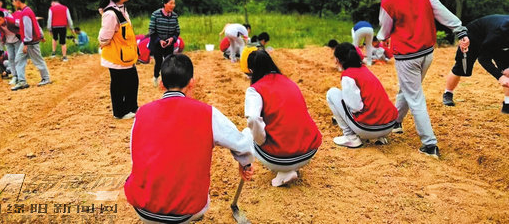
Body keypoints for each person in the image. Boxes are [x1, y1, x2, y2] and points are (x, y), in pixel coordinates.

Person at [125, 54, 254, 223]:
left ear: (161, 84)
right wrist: (245, 162)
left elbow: (135, 155)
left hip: (143, 210)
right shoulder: (207, 113)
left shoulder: (142, 112)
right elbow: (243, 145)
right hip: (186, 212)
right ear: (192, 83)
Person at [377, 0, 468, 159]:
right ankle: (396, 122)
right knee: (408, 89)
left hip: (407, 57)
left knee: (415, 97)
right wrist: (460, 29)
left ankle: (429, 144)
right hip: (427, 53)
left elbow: (384, 31)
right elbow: (441, 12)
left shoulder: (387, 2)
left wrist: (380, 38)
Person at [245, 50, 322, 187]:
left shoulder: (255, 90)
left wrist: (261, 141)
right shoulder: (289, 82)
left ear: (251, 70)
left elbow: (253, 118)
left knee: (247, 133)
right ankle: (290, 169)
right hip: (309, 151)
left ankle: (285, 171)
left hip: (280, 158)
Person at [326, 42, 398, 148]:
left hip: (368, 129)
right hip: (389, 126)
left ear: (338, 60)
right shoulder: (364, 70)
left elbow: (356, 107)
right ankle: (381, 137)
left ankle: (350, 137)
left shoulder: (348, 76)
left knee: (332, 93)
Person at [442, 15, 509, 114]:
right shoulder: (497, 34)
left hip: (499, 42)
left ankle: (507, 104)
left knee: (507, 70)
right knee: (461, 68)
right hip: (474, 38)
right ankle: (448, 93)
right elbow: (483, 59)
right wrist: (500, 77)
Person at [98, 0, 139, 119]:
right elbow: (104, 36)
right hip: (116, 55)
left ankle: (131, 107)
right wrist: (103, 43)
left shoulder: (121, 8)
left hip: (126, 54)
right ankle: (119, 112)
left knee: (132, 81)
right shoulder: (110, 13)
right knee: (118, 85)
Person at [11, 0, 51, 91]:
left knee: (37, 60)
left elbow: (28, 29)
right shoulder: (27, 11)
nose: (13, 4)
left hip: (30, 42)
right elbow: (35, 24)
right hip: (28, 41)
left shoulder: (25, 13)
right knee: (19, 59)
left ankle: (46, 78)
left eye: (13, 2)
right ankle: (22, 82)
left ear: (18, 1)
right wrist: (41, 35)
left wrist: (26, 44)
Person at [148, 0, 180, 87]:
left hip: (169, 43)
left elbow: (177, 31)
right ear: (165, 4)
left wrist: (172, 39)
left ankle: (166, 80)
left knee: (169, 61)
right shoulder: (155, 14)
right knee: (158, 62)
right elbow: (151, 30)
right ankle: (156, 77)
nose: (173, 5)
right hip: (157, 43)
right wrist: (159, 40)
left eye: (174, 3)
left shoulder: (174, 16)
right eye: (171, 3)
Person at [0, 10, 22, 86]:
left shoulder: (11, 21)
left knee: (17, 58)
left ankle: (20, 76)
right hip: (8, 42)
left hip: (17, 40)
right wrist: (3, 40)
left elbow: (22, 24)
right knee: (11, 58)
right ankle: (14, 76)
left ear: (4, 18)